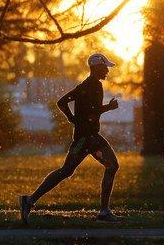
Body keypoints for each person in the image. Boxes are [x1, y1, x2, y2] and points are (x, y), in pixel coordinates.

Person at [19, 53, 123, 223]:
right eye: (105, 67)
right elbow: (92, 111)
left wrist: (71, 118)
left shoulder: (85, 85)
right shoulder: (94, 85)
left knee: (109, 166)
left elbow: (62, 102)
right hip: (86, 139)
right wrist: (109, 108)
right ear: (96, 67)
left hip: (90, 137)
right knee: (67, 171)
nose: (107, 71)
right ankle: (29, 200)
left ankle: (104, 212)